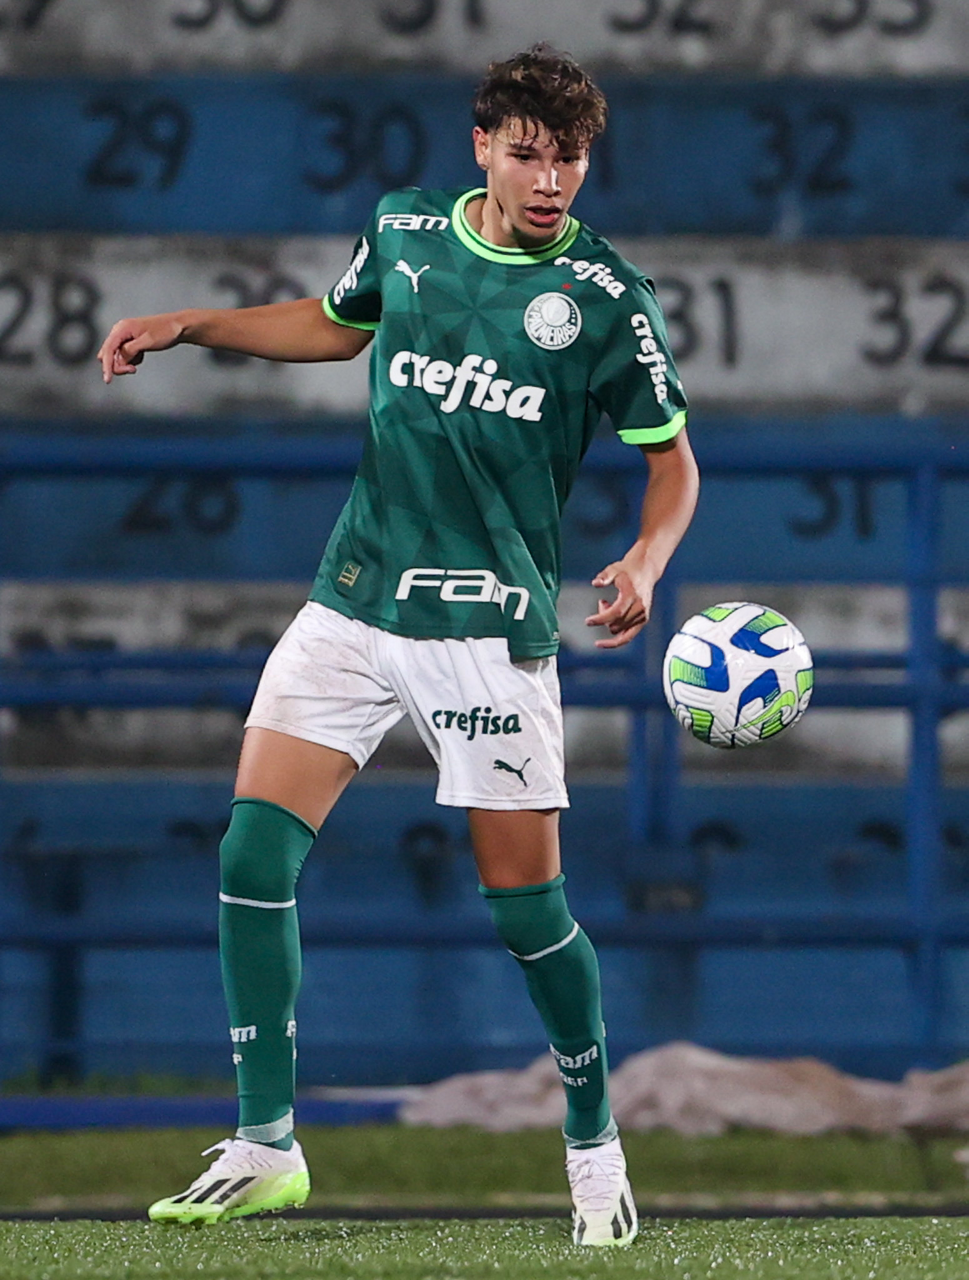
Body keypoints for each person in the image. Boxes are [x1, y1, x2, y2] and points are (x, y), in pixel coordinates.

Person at [97, 44, 698, 1247]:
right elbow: (336, 326)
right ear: (482, 147)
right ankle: (267, 1143)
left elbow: (673, 463)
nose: (550, 180)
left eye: (570, 159)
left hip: (489, 631)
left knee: (528, 912)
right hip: (356, 599)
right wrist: (190, 324)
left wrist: (643, 560)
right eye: (527, 154)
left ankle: (593, 1147)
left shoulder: (604, 298)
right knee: (251, 852)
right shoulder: (407, 229)